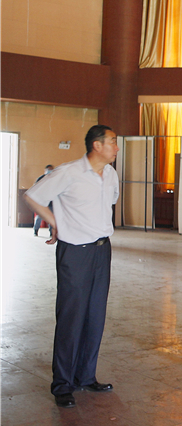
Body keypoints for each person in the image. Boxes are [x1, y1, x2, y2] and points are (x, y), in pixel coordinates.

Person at [24, 125, 119, 408]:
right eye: (113, 142)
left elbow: (108, 204)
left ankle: (86, 376)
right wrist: (57, 222)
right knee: (71, 318)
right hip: (75, 252)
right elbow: (32, 196)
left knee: (95, 316)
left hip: (102, 251)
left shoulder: (111, 174)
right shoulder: (69, 172)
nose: (116, 147)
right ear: (97, 145)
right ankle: (63, 384)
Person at [32, 164, 54, 236]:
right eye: (49, 169)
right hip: (42, 201)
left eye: (51, 169)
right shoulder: (41, 178)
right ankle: (36, 230)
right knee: (39, 217)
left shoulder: (54, 179)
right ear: (46, 170)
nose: (50, 171)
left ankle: (51, 232)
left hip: (51, 201)